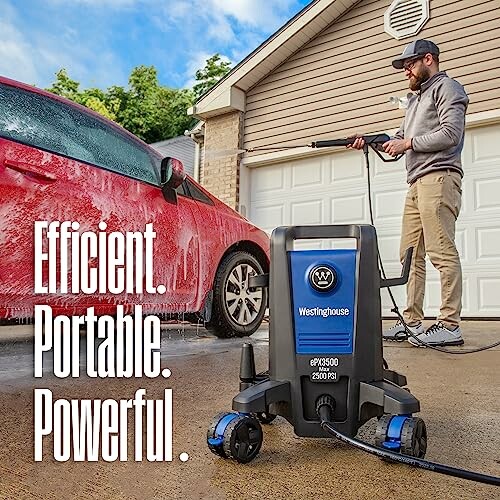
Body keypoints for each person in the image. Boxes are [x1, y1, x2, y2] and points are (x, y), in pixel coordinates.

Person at [350, 39, 469, 347]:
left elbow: (450, 133)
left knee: (441, 251)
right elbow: (400, 139)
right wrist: (371, 140)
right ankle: (412, 322)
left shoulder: (449, 89)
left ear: (428, 59)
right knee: (409, 255)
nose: (406, 72)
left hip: (439, 177)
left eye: (410, 65)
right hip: (416, 183)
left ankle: (450, 324)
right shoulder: (415, 101)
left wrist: (408, 144)